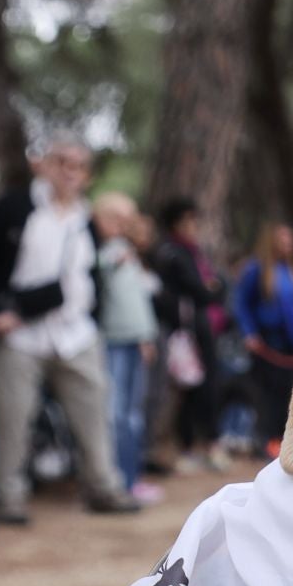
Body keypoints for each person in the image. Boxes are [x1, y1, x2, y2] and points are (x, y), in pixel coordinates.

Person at [0, 139, 137, 524]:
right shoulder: (13, 207)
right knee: (12, 418)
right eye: (62, 162)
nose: (70, 172)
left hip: (75, 332)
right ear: (43, 164)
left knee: (94, 411)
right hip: (19, 333)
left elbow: (90, 272)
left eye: (79, 165)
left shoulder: (84, 217)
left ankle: (103, 487)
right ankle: (7, 496)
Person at [146, 198, 225, 473]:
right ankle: (189, 447)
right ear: (176, 223)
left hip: (203, 328)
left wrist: (213, 287)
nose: (195, 226)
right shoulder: (172, 254)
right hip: (186, 333)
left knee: (206, 388)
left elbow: (216, 285)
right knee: (190, 389)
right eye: (190, 220)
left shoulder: (194, 252)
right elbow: (202, 290)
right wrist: (211, 288)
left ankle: (208, 444)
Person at [93, 193, 162, 502]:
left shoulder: (126, 254)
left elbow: (137, 302)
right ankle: (118, 480)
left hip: (135, 340)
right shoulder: (103, 253)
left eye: (127, 221)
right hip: (114, 341)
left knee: (132, 414)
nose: (122, 226)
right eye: (116, 219)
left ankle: (132, 479)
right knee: (116, 413)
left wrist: (146, 336)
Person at [234, 222, 293, 453]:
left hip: (290, 344)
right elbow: (241, 303)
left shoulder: (288, 270)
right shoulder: (256, 269)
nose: (288, 244)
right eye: (283, 240)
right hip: (268, 344)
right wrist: (249, 333)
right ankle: (268, 440)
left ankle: (284, 440)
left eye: (290, 240)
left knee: (288, 394)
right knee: (269, 395)